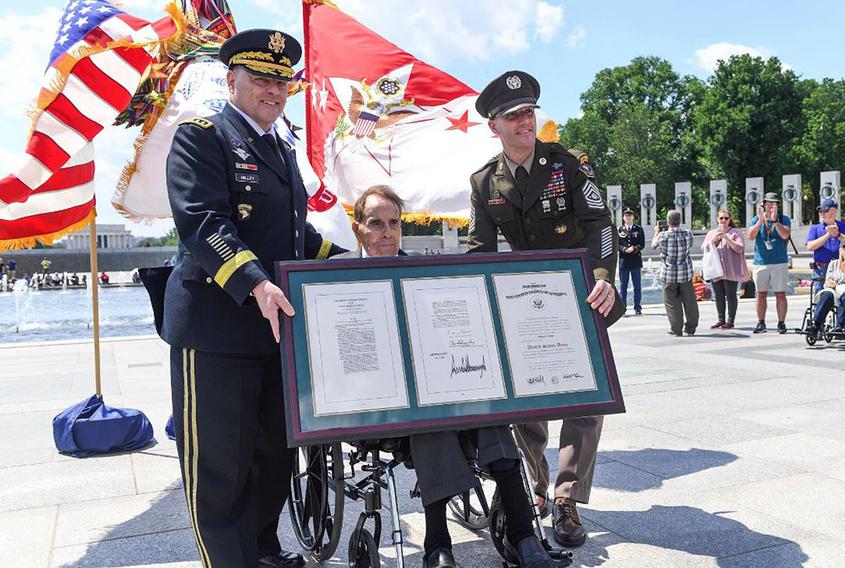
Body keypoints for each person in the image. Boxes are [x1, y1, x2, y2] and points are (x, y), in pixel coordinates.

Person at [160, 29, 345, 568]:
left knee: (271, 457)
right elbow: (203, 222)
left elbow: (292, 235)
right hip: (217, 327)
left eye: (282, 80)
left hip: (274, 330)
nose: (273, 89)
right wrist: (255, 281)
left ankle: (263, 551)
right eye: (261, 78)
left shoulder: (279, 145)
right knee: (221, 465)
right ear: (231, 80)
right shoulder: (202, 135)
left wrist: (343, 262)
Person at [335, 186, 550, 568]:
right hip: (376, 407)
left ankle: (524, 535)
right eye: (376, 224)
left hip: (436, 393)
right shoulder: (337, 283)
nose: (387, 232)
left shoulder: (424, 275)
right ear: (358, 230)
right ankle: (437, 543)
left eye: (394, 223)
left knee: (489, 413)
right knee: (428, 419)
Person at [468, 70, 624, 551]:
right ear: (494, 126)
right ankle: (537, 488)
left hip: (579, 297)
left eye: (529, 112)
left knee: (585, 401)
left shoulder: (569, 165)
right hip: (521, 304)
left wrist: (603, 279)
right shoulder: (483, 181)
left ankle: (566, 497)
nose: (523, 122)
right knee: (527, 404)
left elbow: (600, 223)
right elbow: (479, 247)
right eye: (512, 116)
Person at [747, 192, 791, 334]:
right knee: (760, 294)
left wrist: (775, 222)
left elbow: (785, 235)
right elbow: (751, 236)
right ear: (764, 205)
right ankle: (761, 322)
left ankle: (781, 323)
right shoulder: (755, 219)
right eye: (769, 203)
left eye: (775, 203)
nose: (772, 206)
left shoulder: (783, 219)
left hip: (779, 261)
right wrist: (761, 221)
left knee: (780, 294)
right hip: (761, 261)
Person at [652, 210, 698, 336]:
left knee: (671, 303)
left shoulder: (662, 236)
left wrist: (657, 232)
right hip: (685, 273)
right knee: (690, 301)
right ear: (680, 220)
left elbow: (653, 245)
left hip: (668, 273)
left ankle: (676, 329)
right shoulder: (688, 234)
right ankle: (691, 327)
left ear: (668, 222)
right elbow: (691, 244)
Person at [703, 208, 748, 329]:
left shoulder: (735, 232)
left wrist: (727, 238)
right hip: (716, 270)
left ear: (729, 219)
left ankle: (730, 320)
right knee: (718, 295)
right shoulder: (711, 233)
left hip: (731, 269)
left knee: (731, 294)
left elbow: (739, 248)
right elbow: (705, 248)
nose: (723, 220)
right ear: (717, 219)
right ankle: (721, 319)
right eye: (721, 218)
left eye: (726, 218)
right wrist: (714, 239)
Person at [805, 199, 845, 296]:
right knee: (819, 297)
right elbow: (810, 246)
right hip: (821, 269)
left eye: (825, 211)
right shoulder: (815, 228)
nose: (821, 214)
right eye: (820, 211)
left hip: (841, 267)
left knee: (843, 296)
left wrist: (837, 235)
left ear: (834, 211)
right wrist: (828, 234)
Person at [617, 208, 644, 315]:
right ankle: (623, 307)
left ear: (633, 217)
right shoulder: (620, 230)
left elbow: (642, 244)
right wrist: (624, 249)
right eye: (626, 216)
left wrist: (634, 248)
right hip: (624, 261)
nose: (628, 217)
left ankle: (637, 307)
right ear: (623, 218)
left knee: (637, 286)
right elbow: (616, 244)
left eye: (630, 216)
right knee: (623, 286)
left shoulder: (639, 229)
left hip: (635, 260)